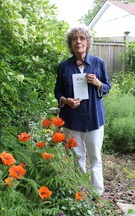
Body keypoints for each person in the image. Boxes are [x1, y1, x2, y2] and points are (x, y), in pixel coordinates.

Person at [54, 25, 111, 195]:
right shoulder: (64, 67)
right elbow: (58, 91)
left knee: (95, 157)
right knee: (76, 158)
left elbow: (107, 87)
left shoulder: (98, 63)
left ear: (88, 43)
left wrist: (98, 83)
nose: (78, 41)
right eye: (74, 39)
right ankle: (80, 192)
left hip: (93, 118)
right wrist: (66, 100)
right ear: (70, 44)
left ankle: (97, 193)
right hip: (72, 119)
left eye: (82, 38)